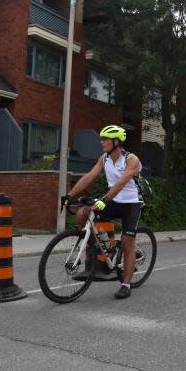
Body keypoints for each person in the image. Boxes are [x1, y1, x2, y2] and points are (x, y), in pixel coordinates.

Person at [61, 125, 142, 299]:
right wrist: (69, 195)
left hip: (130, 204)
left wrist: (103, 200)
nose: (101, 142)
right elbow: (89, 176)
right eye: (102, 139)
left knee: (128, 243)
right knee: (82, 213)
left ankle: (126, 284)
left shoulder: (131, 159)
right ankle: (101, 243)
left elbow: (120, 183)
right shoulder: (104, 158)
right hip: (113, 200)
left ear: (116, 141)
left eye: (105, 139)